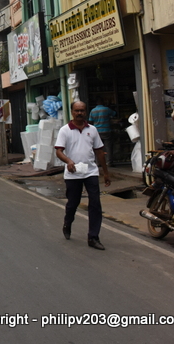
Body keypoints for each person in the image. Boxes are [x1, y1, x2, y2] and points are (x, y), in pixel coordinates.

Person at [55, 101, 111, 250]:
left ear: (86, 112)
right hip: (73, 173)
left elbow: (99, 151)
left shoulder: (92, 130)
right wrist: (68, 161)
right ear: (72, 112)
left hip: (90, 172)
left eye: (82, 110)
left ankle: (93, 237)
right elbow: (59, 151)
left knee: (95, 204)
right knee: (73, 203)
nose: (79, 113)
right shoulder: (65, 130)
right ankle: (67, 223)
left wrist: (105, 173)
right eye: (77, 110)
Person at [88, 98, 117, 167]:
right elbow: (114, 114)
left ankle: (98, 162)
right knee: (108, 147)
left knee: (98, 148)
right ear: (102, 102)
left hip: (97, 131)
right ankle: (109, 162)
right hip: (106, 130)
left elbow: (90, 121)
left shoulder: (93, 111)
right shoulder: (106, 109)